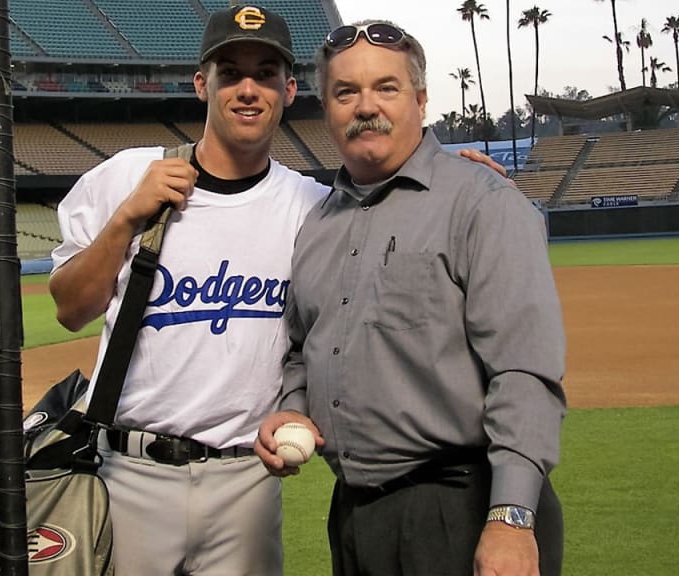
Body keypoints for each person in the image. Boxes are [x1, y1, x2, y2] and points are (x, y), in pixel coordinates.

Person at [50, 5, 507, 573]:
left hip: (246, 481)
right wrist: (124, 221)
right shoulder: (125, 176)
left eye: (265, 73)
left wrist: (453, 176)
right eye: (231, 72)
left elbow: (397, 205)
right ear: (201, 84)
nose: (248, 89)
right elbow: (71, 309)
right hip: (129, 472)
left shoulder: (313, 208)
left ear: (289, 90)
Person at [254, 20, 566, 576]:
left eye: (386, 88)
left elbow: (524, 373)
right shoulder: (318, 223)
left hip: (466, 505)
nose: (365, 106)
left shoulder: (482, 203)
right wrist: (292, 408)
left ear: (421, 99)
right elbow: (304, 348)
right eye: (345, 92)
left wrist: (512, 519)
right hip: (355, 512)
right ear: (326, 108)